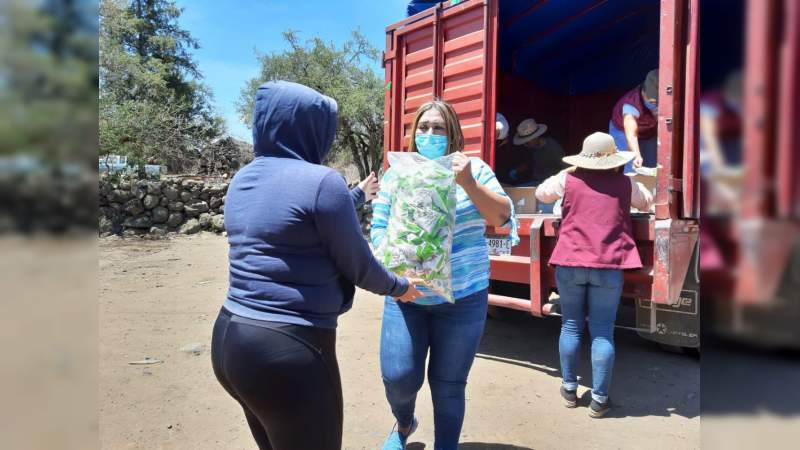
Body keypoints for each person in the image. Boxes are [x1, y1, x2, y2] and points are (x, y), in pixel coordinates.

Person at [211, 80, 424, 450]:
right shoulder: (323, 181)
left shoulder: (244, 177)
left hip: (231, 341)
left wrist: (356, 195)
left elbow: (294, 220)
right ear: (311, 128)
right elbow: (358, 265)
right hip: (289, 348)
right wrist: (400, 287)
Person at [372, 100, 518, 450]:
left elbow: (500, 217)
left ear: (452, 132)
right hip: (407, 295)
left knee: (449, 384)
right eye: (423, 127)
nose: (430, 133)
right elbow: (379, 228)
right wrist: (393, 275)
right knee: (399, 378)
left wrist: (466, 182)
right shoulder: (397, 174)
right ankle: (404, 423)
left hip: (464, 297)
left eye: (438, 127)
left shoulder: (475, 169)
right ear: (413, 134)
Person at [535, 132, 653, 418]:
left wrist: (568, 171)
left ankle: (568, 389)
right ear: (614, 159)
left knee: (571, 327)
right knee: (602, 332)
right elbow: (647, 203)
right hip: (609, 267)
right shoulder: (626, 184)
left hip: (570, 264)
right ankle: (599, 400)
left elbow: (541, 193)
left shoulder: (568, 180)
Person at [608, 69, 659, 174]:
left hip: (648, 131)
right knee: (632, 163)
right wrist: (636, 155)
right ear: (643, 91)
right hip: (621, 130)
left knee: (652, 165)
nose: (655, 104)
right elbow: (631, 135)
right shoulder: (630, 104)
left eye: (657, 101)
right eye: (652, 102)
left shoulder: (669, 98)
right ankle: (629, 188)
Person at [507, 118, 565, 186]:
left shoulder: (553, 147)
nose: (525, 144)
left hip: (550, 184)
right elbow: (528, 163)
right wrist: (515, 171)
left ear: (536, 137)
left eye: (527, 142)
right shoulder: (531, 148)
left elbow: (565, 167)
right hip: (536, 182)